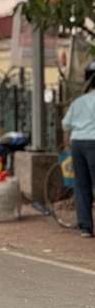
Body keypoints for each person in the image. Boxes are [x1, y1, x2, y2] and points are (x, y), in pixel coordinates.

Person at [62, 61, 95, 238]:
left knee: (81, 185)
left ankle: (85, 227)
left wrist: (68, 144)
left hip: (77, 143)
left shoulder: (79, 102)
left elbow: (65, 124)